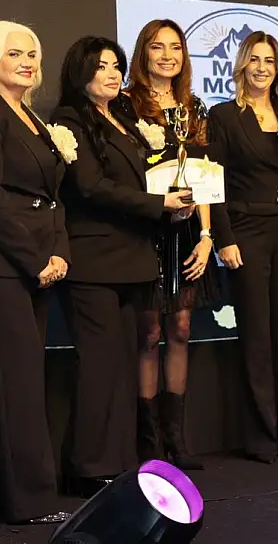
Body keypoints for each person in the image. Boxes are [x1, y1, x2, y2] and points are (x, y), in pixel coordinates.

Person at [50, 36, 194, 495]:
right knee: (98, 367)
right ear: (81, 72)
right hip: (94, 261)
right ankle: (87, 466)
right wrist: (158, 204)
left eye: (116, 66)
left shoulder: (124, 118)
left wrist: (173, 204)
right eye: (102, 66)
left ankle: (117, 461)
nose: (112, 74)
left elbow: (139, 181)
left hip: (133, 259)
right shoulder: (70, 119)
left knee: (121, 368)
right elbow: (90, 186)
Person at [0, 21, 71, 525]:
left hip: (39, 263)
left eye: (33, 53)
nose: (27, 62)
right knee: (17, 382)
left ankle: (17, 495)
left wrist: (60, 252)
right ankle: (29, 502)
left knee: (25, 379)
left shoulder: (34, 119)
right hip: (0, 265)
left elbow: (53, 196)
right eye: (15, 54)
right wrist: (33, 259)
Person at [206, 31, 278, 464]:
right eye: (254, 59)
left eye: (269, 60)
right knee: (256, 336)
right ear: (241, 65)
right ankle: (260, 438)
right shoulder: (223, 116)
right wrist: (224, 239)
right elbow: (213, 181)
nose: (262, 68)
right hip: (247, 232)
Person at [123, 19, 219, 470]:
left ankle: (176, 440)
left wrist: (206, 236)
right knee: (149, 332)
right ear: (143, 53)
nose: (167, 56)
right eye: (158, 47)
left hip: (187, 232)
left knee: (181, 328)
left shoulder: (194, 107)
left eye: (175, 47)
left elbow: (205, 176)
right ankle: (147, 441)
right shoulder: (125, 104)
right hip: (145, 228)